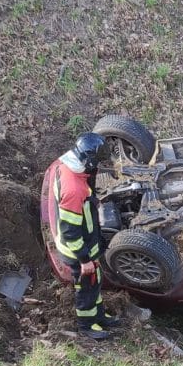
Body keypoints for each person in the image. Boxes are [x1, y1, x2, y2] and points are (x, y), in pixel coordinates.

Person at [52, 132, 120, 339]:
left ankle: (98, 315)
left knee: (95, 280)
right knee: (86, 285)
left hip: (86, 242)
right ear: (88, 160)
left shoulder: (67, 165)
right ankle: (87, 325)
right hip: (77, 250)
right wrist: (84, 259)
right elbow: (70, 231)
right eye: (97, 162)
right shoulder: (74, 189)